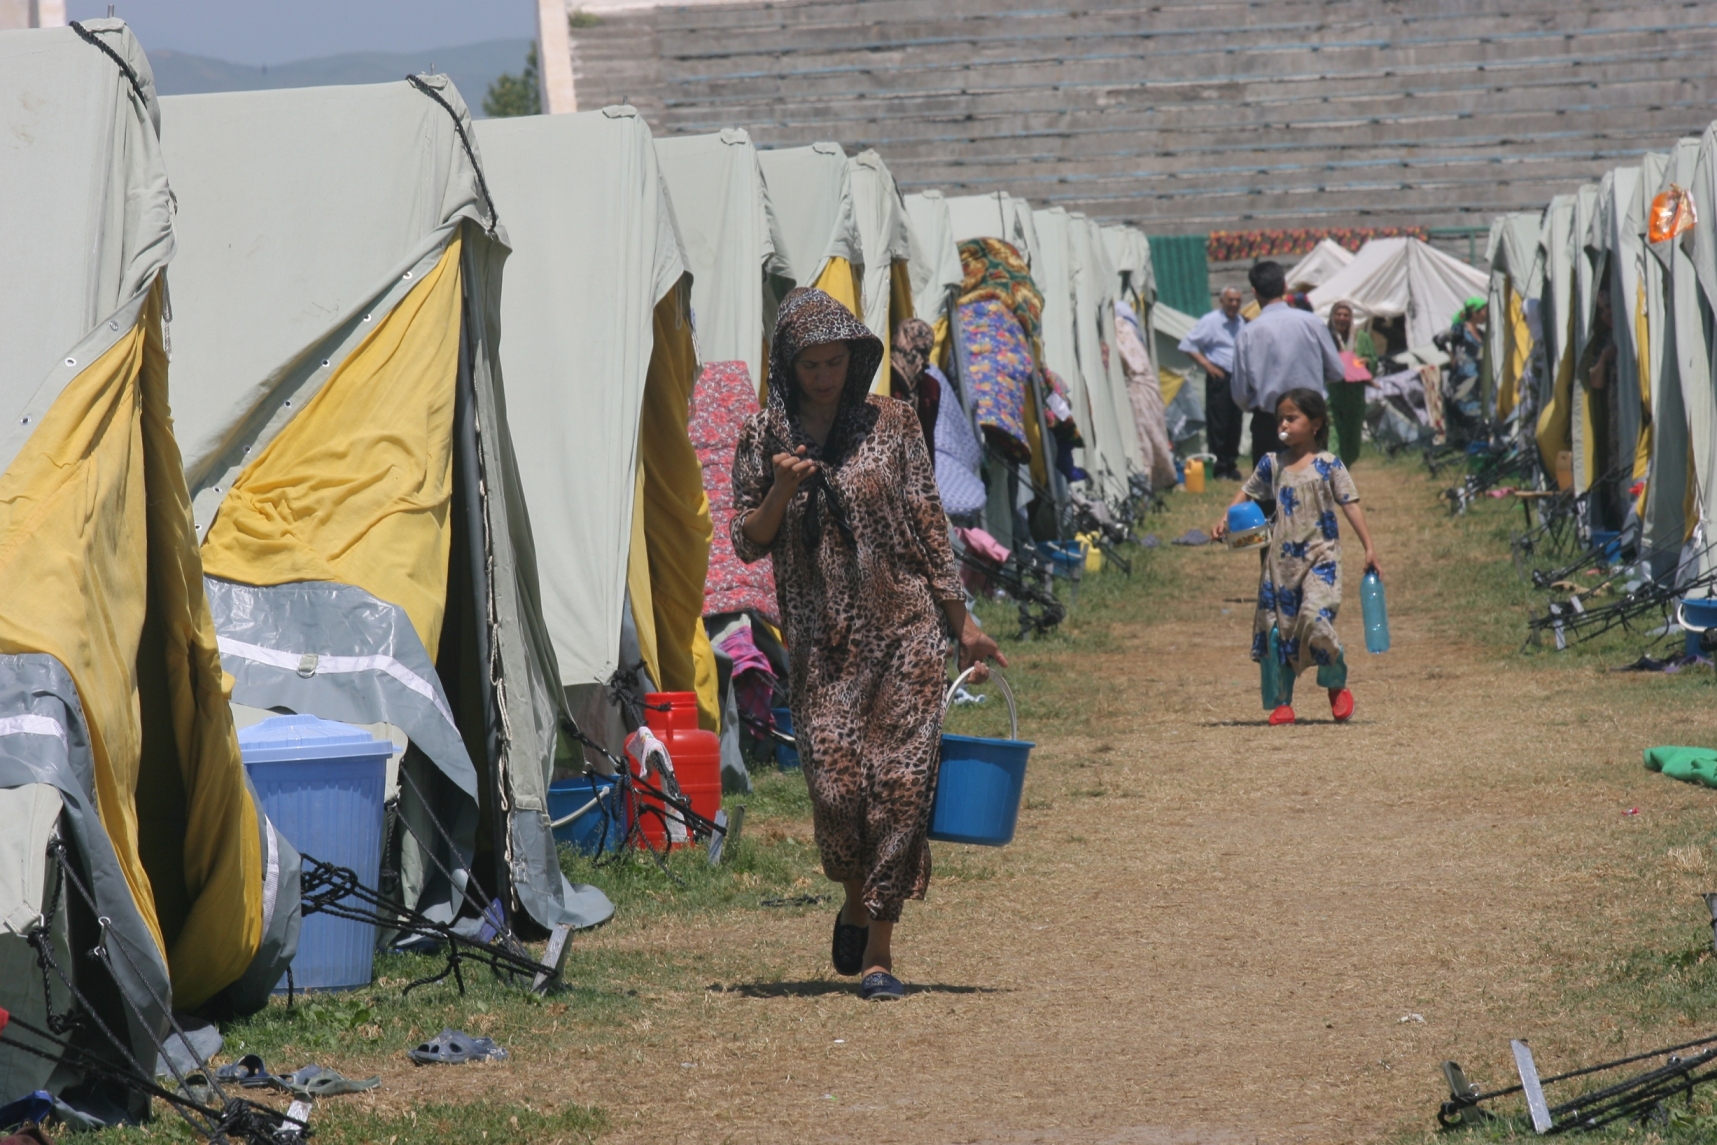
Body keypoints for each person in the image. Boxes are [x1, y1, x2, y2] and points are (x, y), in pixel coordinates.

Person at [731, 288, 1007, 1002]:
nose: (823, 375)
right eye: (810, 364)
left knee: (898, 788)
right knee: (836, 788)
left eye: (834, 361)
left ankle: (880, 947)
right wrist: (780, 493)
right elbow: (745, 540)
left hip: (905, 627)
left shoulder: (893, 421)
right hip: (822, 641)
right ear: (786, 366)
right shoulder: (765, 434)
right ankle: (853, 896)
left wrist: (961, 621)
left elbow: (925, 517)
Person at [1213, 388, 1381, 726]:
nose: (1284, 424)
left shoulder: (1329, 465)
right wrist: (1225, 517)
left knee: (1314, 618)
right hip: (1281, 563)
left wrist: (1369, 546)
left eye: (1292, 418)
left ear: (1315, 423)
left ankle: (1336, 682)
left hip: (1322, 557)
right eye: (1281, 419)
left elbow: (1349, 503)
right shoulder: (1272, 464)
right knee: (1279, 631)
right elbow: (1247, 490)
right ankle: (1282, 702)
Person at [1230, 261, 1345, 467]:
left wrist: (1257, 404)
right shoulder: (1313, 323)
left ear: (1254, 291)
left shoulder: (1247, 333)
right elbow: (1336, 371)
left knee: (1272, 490)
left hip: (1270, 421)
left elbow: (1240, 393)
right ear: (1285, 287)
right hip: (1310, 419)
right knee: (1312, 485)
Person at [1179, 286, 1246, 480]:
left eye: (1237, 301)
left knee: (1235, 422)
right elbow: (1188, 344)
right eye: (1230, 300)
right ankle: (1219, 467)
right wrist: (1207, 365)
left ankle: (1231, 464)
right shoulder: (1211, 321)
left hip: (1237, 377)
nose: (1234, 304)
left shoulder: (1241, 322)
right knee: (1219, 423)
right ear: (1222, 301)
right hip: (1220, 376)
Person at [1326, 301, 1377, 466]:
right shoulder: (1326, 338)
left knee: (1352, 444)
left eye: (1345, 315)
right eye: (1338, 314)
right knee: (1333, 440)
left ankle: (1343, 470)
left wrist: (1366, 362)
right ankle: (1334, 479)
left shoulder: (1361, 338)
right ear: (1332, 317)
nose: (1342, 318)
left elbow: (1374, 360)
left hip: (1354, 397)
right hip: (1332, 396)